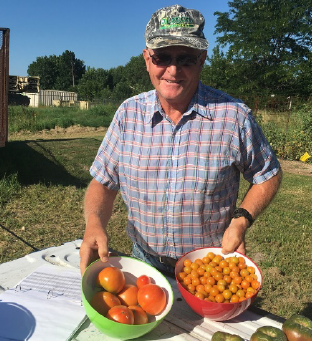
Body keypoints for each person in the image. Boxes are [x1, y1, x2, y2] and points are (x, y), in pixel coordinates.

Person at [79, 4, 282, 276]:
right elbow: (102, 181)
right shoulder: (128, 114)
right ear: (147, 59)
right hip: (144, 262)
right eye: (162, 57)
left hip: (209, 266)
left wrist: (241, 220)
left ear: (201, 59)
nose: (173, 70)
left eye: (185, 58)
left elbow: (268, 173)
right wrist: (94, 222)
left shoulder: (233, 116)